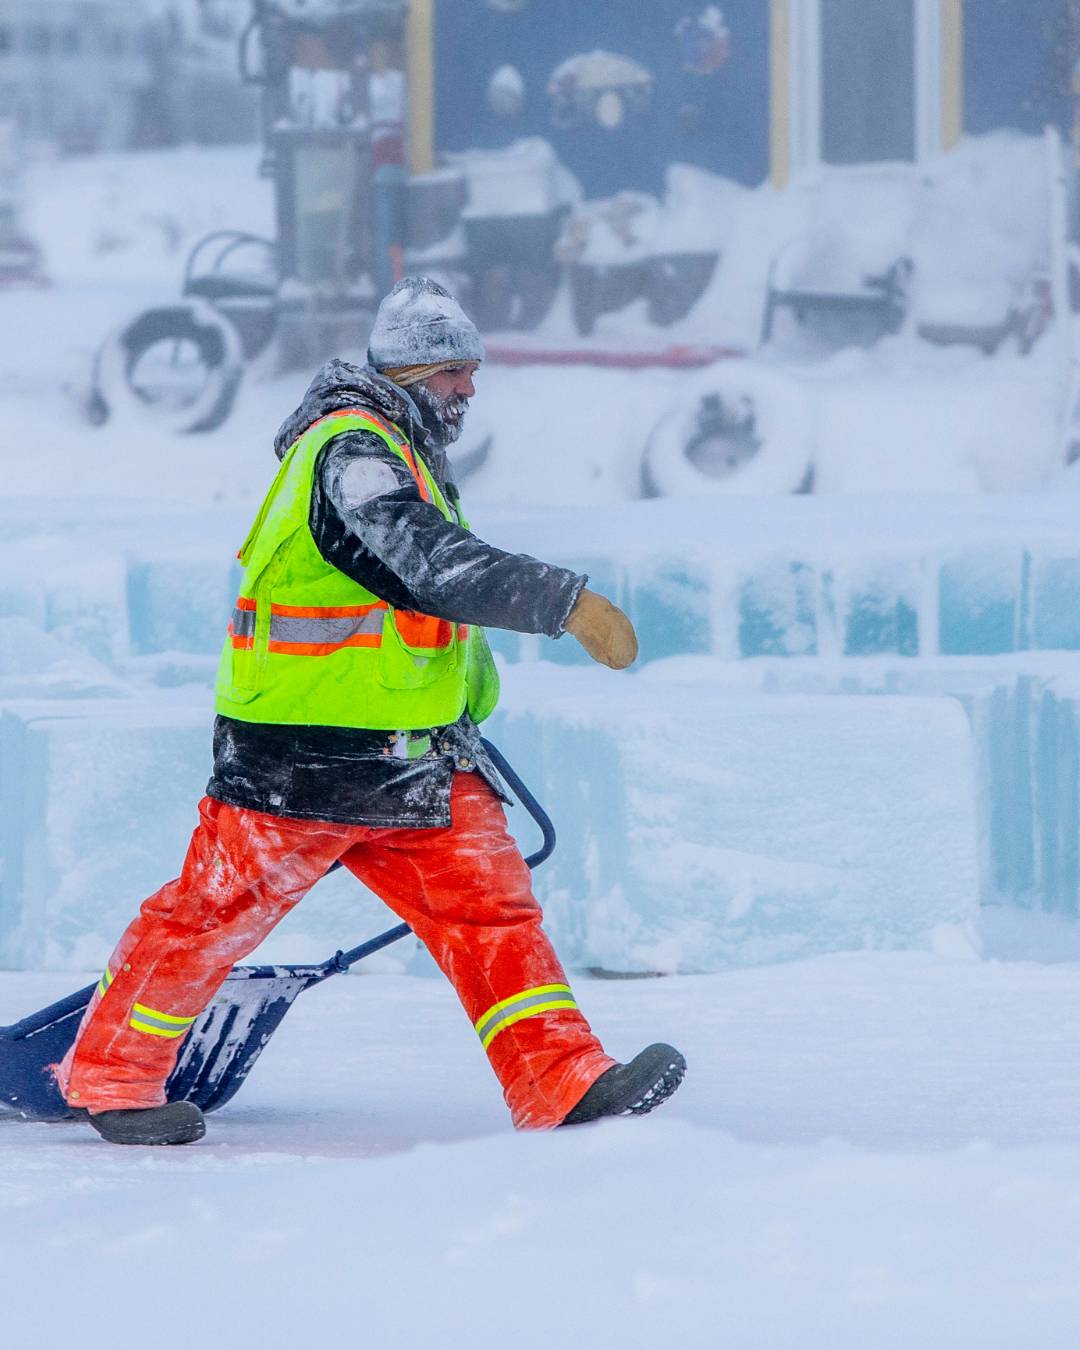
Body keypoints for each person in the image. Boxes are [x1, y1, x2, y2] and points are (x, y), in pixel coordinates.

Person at [54, 277, 686, 1145]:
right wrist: (564, 602)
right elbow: (424, 562)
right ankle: (110, 1080)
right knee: (208, 915)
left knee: (492, 912)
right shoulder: (352, 450)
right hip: (304, 758)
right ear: (417, 370)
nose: (470, 389)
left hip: (413, 756)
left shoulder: (399, 448)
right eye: (457, 371)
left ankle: (562, 1081)